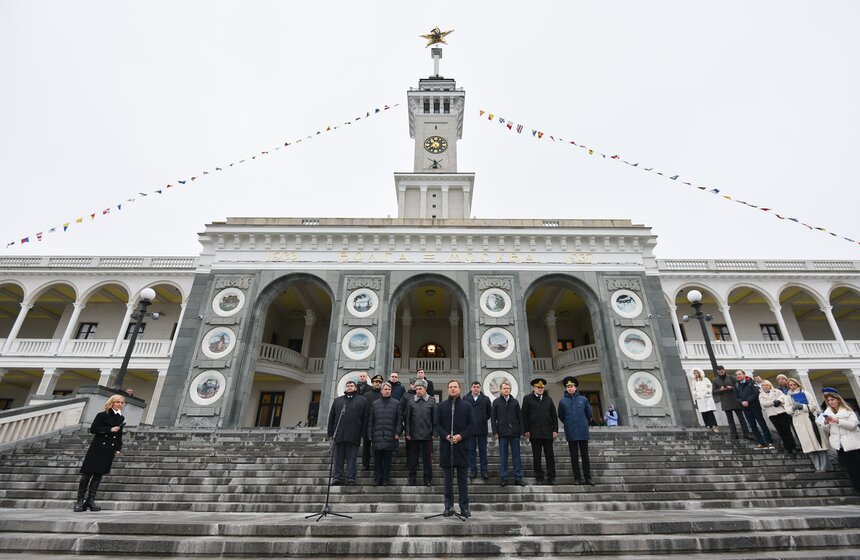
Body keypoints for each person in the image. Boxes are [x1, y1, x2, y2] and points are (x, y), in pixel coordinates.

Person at [74, 394, 126, 512]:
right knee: (87, 474)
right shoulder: (102, 415)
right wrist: (109, 429)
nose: (120, 404)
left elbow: (119, 435)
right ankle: (79, 501)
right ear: (112, 402)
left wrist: (118, 448)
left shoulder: (121, 418)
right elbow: (93, 429)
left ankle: (90, 500)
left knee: (98, 475)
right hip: (97, 447)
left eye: (122, 403)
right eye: (117, 402)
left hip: (109, 449)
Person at [435, 379, 476, 518]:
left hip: (462, 448)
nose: (453, 389)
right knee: (447, 481)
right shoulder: (441, 406)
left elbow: (472, 425)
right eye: (450, 387)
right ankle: (448, 506)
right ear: (448, 389)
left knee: (462, 481)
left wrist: (461, 436)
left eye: (455, 387)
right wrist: (446, 436)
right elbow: (437, 425)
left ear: (459, 389)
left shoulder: (467, 406)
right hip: (447, 448)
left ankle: (464, 507)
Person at [327, 379, 370, 485]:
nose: (349, 387)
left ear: (355, 388)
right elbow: (332, 417)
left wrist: (363, 433)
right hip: (339, 434)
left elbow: (365, 418)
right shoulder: (338, 401)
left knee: (352, 459)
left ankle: (351, 477)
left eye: (351, 385)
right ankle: (337, 477)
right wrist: (330, 433)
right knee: (338, 458)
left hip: (354, 434)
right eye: (348, 385)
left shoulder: (362, 400)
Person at [821, 387, 860, 495]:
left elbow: (853, 425)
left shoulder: (848, 411)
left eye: (832, 400)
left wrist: (837, 421)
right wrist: (826, 423)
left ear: (838, 400)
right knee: (851, 469)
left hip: (853, 444)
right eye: (828, 400)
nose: (830, 402)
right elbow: (827, 429)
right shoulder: (827, 412)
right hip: (840, 445)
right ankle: (857, 488)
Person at [787, 377, 830, 472]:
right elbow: (787, 409)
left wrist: (802, 406)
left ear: (798, 385)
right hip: (799, 422)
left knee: (818, 443)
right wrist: (793, 408)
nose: (793, 386)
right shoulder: (788, 397)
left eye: (794, 384)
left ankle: (824, 467)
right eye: (790, 385)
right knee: (808, 445)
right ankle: (817, 467)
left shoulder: (806, 393)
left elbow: (813, 406)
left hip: (810, 420)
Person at [557, 376, 594, 485]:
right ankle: (577, 478)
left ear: (575, 387)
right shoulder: (562, 401)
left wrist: (583, 424)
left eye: (571, 386)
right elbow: (561, 416)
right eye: (568, 386)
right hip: (571, 431)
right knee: (574, 457)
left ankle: (588, 477)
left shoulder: (583, 400)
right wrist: (569, 423)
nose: (570, 388)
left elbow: (589, 414)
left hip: (583, 431)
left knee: (585, 456)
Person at [521, 378, 558, 485]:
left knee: (550, 456)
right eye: (538, 387)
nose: (540, 389)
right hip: (534, 432)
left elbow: (554, 416)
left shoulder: (548, 400)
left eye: (542, 387)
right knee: (537, 456)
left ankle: (552, 477)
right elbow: (524, 415)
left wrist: (555, 430)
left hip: (547, 432)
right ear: (534, 388)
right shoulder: (527, 399)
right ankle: (539, 477)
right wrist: (526, 430)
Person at [367, 382, 401, 486]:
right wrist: (369, 433)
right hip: (377, 436)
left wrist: (398, 432)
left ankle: (386, 479)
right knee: (377, 460)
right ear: (381, 391)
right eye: (385, 389)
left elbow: (399, 420)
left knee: (387, 461)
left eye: (389, 390)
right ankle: (377, 479)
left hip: (390, 436)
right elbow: (371, 420)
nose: (387, 391)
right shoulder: (375, 403)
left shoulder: (396, 403)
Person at [491, 381, 525, 487]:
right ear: (501, 390)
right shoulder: (496, 402)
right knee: (503, 457)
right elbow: (493, 419)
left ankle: (518, 478)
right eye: (504, 388)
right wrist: (495, 432)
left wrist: (521, 431)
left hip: (514, 433)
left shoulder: (515, 402)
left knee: (516, 457)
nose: (506, 390)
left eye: (508, 388)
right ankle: (504, 478)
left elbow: (520, 417)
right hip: (502, 433)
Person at [404, 379, 436, 486]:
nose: (418, 390)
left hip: (427, 436)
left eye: (420, 389)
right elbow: (407, 419)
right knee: (413, 459)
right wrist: (407, 433)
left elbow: (434, 419)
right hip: (414, 436)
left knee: (427, 460)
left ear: (425, 389)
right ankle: (412, 479)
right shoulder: (411, 401)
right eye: (416, 389)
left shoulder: (431, 401)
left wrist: (434, 433)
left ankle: (428, 479)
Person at [734, 369, 774, 449]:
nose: (738, 376)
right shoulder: (736, 385)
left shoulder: (751, 382)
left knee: (762, 424)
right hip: (745, 408)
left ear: (744, 374)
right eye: (737, 375)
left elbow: (756, 392)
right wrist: (742, 402)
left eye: (739, 374)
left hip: (755, 407)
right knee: (752, 425)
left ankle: (769, 442)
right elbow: (736, 397)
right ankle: (761, 442)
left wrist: (748, 401)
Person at [712, 365, 751, 440]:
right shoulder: (715, 380)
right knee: (730, 420)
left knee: (741, 418)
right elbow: (714, 392)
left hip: (735, 400)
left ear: (724, 370)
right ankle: (734, 435)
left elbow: (738, 386)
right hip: (725, 401)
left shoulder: (732, 377)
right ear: (717, 372)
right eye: (719, 372)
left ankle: (746, 433)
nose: (721, 372)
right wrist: (721, 389)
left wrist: (731, 387)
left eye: (722, 371)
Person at [463, 380, 492, 481]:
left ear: (480, 388)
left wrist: (482, 419)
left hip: (482, 428)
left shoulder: (486, 399)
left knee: (483, 451)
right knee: (471, 451)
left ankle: (484, 471)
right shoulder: (466, 398)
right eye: (474, 387)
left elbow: (489, 413)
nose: (476, 388)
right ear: (471, 388)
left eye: (477, 387)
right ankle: (473, 470)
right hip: (470, 430)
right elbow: (464, 412)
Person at [759, 379, 797, 453]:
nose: (765, 386)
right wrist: (774, 402)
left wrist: (778, 401)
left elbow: (784, 398)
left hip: (782, 412)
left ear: (770, 385)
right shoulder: (761, 395)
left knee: (787, 431)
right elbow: (763, 404)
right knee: (780, 431)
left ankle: (793, 447)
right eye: (763, 385)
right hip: (772, 414)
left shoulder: (777, 391)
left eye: (767, 385)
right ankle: (787, 447)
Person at [361, 374, 385, 471]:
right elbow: (363, 410)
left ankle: (378, 464)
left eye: (379, 382)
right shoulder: (366, 395)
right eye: (376, 382)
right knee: (366, 446)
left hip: (379, 424)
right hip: (367, 424)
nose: (377, 384)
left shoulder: (383, 395)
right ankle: (365, 464)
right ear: (372, 383)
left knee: (378, 446)